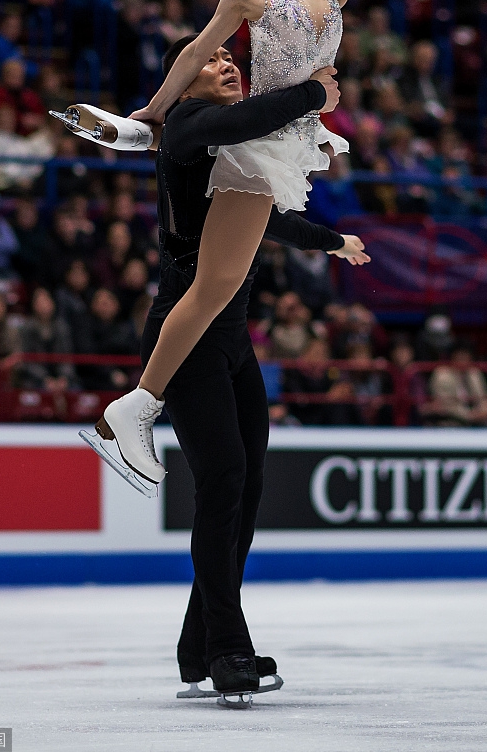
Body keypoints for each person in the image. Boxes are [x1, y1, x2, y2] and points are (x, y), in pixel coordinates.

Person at [104, 0, 473, 487]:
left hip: (292, 143)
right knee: (213, 289)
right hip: (264, 140)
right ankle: (138, 404)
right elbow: (198, 48)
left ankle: (140, 403)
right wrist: (153, 112)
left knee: (220, 286)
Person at [127, 38, 366, 697]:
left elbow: (269, 220)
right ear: (181, 82)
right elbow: (250, 117)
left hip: (231, 339)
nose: (226, 63)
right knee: (223, 481)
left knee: (247, 486)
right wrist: (314, 92)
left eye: (229, 58)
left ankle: (199, 647)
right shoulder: (185, 127)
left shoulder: (225, 147)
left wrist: (332, 241)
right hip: (186, 335)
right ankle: (229, 648)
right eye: (209, 59)